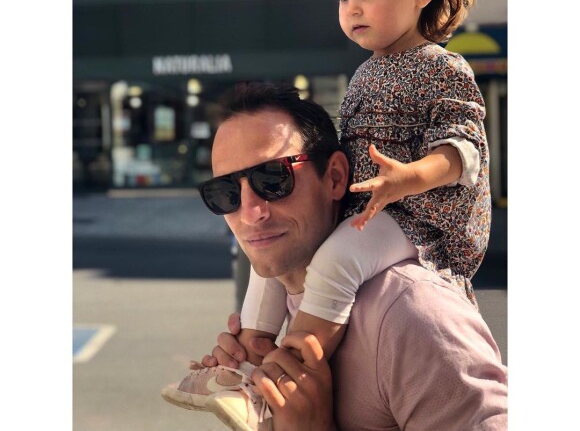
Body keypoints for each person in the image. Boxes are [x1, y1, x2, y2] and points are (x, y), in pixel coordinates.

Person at [163, 0, 494, 426]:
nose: (353, 10)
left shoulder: (442, 67)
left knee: (335, 262)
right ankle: (249, 367)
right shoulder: (365, 73)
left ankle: (287, 370)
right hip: (371, 210)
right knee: (267, 268)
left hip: (419, 217)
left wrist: (409, 178)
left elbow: (465, 150)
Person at [163, 81, 507, 430]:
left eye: (272, 179)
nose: (251, 212)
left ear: (335, 177)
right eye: (225, 192)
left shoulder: (413, 316)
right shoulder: (276, 319)